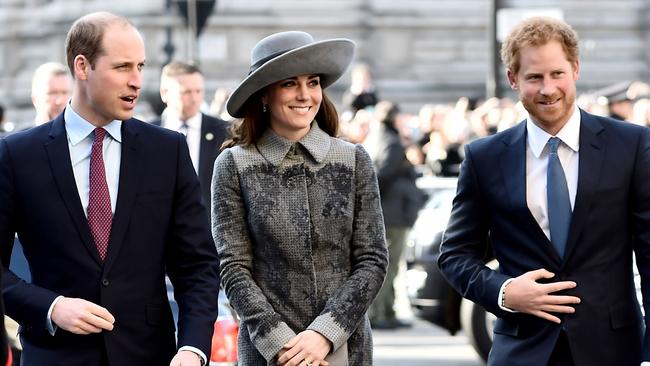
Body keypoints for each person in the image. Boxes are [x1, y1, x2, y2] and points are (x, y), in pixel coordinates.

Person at [0, 12, 220, 366]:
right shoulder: (18, 154)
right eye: (122, 67)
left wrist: (193, 348)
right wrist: (52, 308)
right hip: (55, 357)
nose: (137, 81)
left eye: (140, 66)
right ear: (82, 66)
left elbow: (197, 264)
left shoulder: (167, 151)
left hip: (151, 356)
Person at [437, 16, 650, 366]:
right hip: (522, 350)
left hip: (613, 348)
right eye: (534, 77)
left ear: (576, 69)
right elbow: (454, 255)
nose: (548, 89)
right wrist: (505, 292)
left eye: (557, 74)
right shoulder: (484, 157)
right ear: (513, 80)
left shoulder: (631, 145)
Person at [211, 31, 388, 365]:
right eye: (290, 83)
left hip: (345, 347)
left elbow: (373, 259)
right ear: (264, 94)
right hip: (270, 353)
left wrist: (324, 334)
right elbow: (233, 268)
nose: (305, 95)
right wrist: (282, 344)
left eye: (313, 82)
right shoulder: (233, 165)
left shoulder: (354, 159)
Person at [364, 100, 424, 329]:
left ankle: (387, 312)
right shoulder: (392, 143)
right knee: (388, 266)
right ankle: (380, 314)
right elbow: (381, 177)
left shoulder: (374, 138)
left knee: (386, 264)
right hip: (392, 212)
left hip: (385, 212)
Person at [155, 61, 228, 209]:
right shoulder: (147, 132)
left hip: (207, 226)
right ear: (164, 93)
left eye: (198, 91)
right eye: (186, 92)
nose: (194, 99)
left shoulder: (224, 132)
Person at [31, 62, 72, 126]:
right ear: (35, 99)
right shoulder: (19, 135)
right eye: (52, 93)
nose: (59, 101)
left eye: (64, 93)